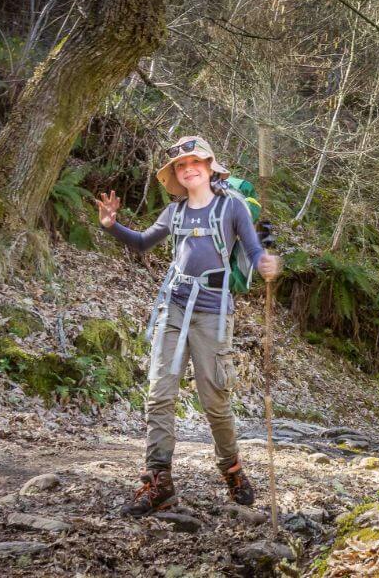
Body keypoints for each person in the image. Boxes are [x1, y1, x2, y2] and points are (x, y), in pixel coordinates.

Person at [96, 136, 281, 516]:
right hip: (173, 304)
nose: (188, 168)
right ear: (176, 175)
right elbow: (145, 242)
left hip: (214, 311)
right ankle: (158, 480)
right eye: (181, 165)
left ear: (210, 166)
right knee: (159, 391)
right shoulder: (175, 212)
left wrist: (266, 263)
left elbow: (252, 249)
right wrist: (112, 225)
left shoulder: (232, 207)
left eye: (195, 161)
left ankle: (230, 467)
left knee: (215, 399)